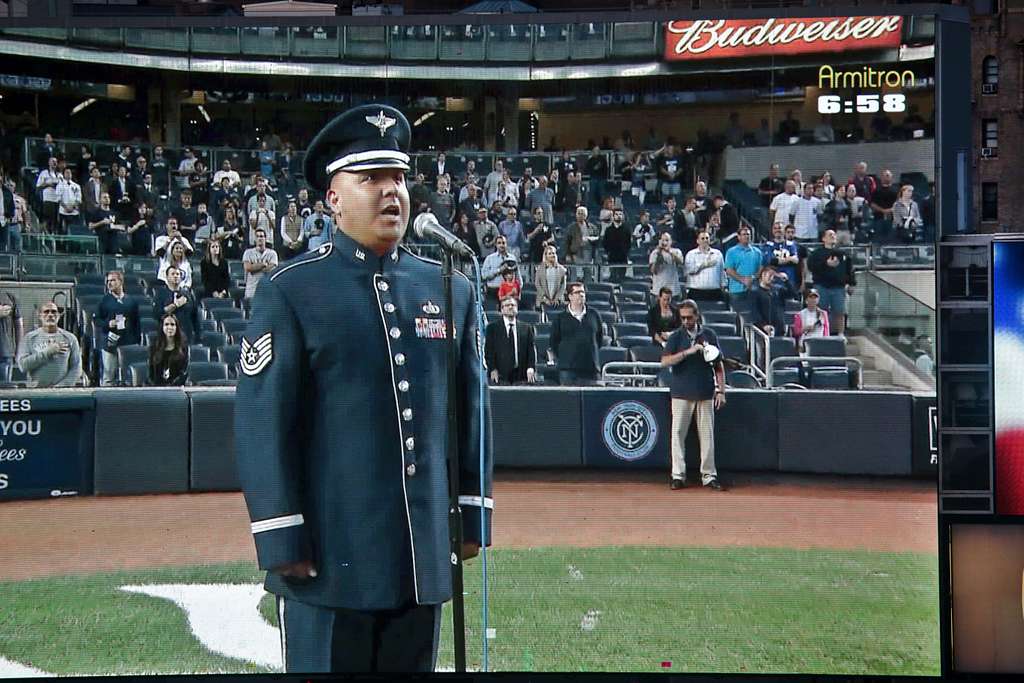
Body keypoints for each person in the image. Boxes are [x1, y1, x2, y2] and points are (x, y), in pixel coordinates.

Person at [234, 104, 491, 674]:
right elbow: (261, 422)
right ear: (333, 197)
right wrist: (281, 536)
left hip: (420, 556)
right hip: (328, 556)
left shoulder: (448, 286)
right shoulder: (292, 290)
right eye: (369, 178)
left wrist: (471, 516)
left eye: (397, 177)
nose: (390, 192)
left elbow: (470, 412)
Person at [661, 299, 726, 491]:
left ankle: (708, 475)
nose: (686, 321)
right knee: (678, 435)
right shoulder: (676, 337)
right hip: (681, 392)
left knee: (707, 436)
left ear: (697, 315)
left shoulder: (709, 334)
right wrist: (689, 352)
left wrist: (721, 390)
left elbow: (719, 365)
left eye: (689, 317)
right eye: (683, 318)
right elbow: (665, 361)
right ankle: (678, 475)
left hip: (705, 391)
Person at [548, 282, 603, 386]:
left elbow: (599, 339)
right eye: (577, 292)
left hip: (591, 369)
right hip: (568, 370)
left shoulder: (594, 315)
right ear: (570, 296)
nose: (581, 295)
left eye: (583, 292)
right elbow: (554, 342)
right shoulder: (560, 318)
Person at [17, 302, 82, 388]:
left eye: (54, 312)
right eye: (46, 312)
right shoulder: (29, 338)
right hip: (36, 390)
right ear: (40, 316)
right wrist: (48, 352)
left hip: (63, 392)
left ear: (58, 316)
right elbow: (23, 366)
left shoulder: (70, 338)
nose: (50, 315)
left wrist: (62, 386)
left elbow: (76, 368)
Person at [94, 271, 141, 386]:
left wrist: (137, 341)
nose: (110, 283)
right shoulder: (104, 301)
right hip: (110, 343)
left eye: (113, 280)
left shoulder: (131, 301)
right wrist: (108, 323)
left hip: (128, 343)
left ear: (121, 282)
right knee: (109, 376)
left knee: (128, 375)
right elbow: (96, 320)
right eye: (108, 281)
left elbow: (136, 323)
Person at [806, 229, 856, 336]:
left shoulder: (843, 254)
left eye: (834, 235)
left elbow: (850, 270)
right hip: (821, 286)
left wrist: (852, 283)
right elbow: (811, 267)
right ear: (823, 238)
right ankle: (820, 332)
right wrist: (826, 264)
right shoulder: (816, 254)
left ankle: (840, 334)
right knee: (820, 311)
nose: (833, 236)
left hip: (838, 287)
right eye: (830, 235)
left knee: (840, 311)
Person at [484, 295, 537, 385]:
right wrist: (493, 369)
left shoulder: (527, 328)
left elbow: (531, 350)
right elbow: (489, 351)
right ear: (501, 309)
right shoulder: (492, 328)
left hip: (522, 376)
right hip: (501, 376)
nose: (510, 307)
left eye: (513, 305)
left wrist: (531, 367)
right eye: (507, 305)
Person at [153, 265, 201, 344]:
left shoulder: (188, 295)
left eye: (178, 274)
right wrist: (175, 305)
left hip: (186, 335)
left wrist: (198, 338)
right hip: (167, 337)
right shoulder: (160, 294)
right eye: (173, 274)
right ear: (167, 277)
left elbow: (195, 317)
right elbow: (157, 314)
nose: (176, 276)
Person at [723, 226, 762, 314]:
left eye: (748, 234)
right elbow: (729, 270)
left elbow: (760, 268)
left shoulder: (757, 252)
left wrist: (753, 278)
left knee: (753, 315)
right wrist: (743, 280)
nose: (747, 236)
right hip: (736, 290)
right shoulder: (731, 251)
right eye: (744, 234)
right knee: (737, 316)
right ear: (739, 237)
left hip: (753, 289)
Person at [148, 313, 190, 386]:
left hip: (177, 388)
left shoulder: (183, 348)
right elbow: (151, 373)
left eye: (172, 324)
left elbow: (183, 373)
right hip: (157, 388)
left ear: (177, 327)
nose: (169, 327)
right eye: (166, 324)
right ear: (162, 327)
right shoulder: (154, 347)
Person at [683, 230, 724, 302]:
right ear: (697, 241)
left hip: (715, 292)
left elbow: (722, 272)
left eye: (707, 238)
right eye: (703, 238)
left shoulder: (718, 254)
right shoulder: (691, 254)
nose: (705, 240)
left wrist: (724, 286)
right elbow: (689, 270)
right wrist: (704, 264)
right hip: (696, 292)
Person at [749, 265, 787, 337]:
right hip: (762, 331)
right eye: (770, 275)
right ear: (763, 275)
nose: (772, 278)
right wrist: (763, 325)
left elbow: (793, 294)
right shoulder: (755, 292)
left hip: (778, 329)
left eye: (773, 276)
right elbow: (754, 312)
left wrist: (786, 281)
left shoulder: (778, 291)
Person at [242, 228, 279, 300]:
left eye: (261, 236)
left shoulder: (272, 253)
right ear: (255, 239)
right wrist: (263, 264)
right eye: (257, 236)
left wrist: (254, 267)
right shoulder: (248, 252)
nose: (259, 238)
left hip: (267, 290)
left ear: (265, 238)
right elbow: (248, 268)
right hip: (251, 290)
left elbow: (270, 270)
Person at [649, 232, 685, 297]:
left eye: (667, 240)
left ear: (671, 241)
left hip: (673, 290)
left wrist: (670, 252)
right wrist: (659, 255)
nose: (665, 242)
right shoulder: (655, 253)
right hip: (658, 290)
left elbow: (680, 262)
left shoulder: (677, 251)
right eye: (663, 240)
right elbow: (654, 271)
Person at [0, 289, 23, 382]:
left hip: (5, 355)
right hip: (5, 356)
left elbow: (19, 326)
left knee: (4, 392)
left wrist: (19, 351)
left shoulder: (10, 298)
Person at [534, 244, 567, 310]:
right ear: (546, 256)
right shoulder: (539, 269)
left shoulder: (562, 269)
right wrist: (545, 298)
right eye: (550, 254)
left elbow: (563, 285)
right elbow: (537, 284)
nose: (552, 255)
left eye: (553, 253)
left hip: (558, 301)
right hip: (543, 300)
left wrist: (557, 298)